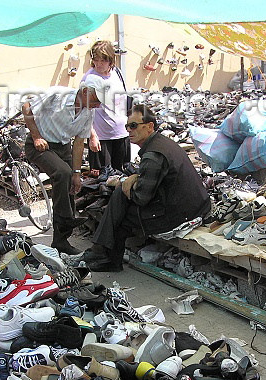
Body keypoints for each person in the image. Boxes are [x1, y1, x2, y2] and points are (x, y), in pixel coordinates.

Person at [83, 104, 211, 272]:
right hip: (194, 206)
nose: (129, 130)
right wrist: (134, 177)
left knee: (120, 213)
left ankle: (105, 255)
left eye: (134, 126)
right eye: (127, 126)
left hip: (180, 215)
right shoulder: (160, 143)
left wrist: (125, 184)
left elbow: (141, 198)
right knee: (120, 199)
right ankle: (102, 252)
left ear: (149, 126)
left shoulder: (153, 155)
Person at [22, 75, 111, 254]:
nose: (98, 105)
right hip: (41, 145)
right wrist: (36, 136)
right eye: (96, 100)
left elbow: (78, 143)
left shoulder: (88, 112)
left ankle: (61, 241)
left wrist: (77, 173)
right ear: (85, 92)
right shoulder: (58, 95)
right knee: (62, 173)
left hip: (63, 147)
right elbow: (26, 108)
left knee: (70, 183)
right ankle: (67, 218)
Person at [81, 40, 130, 173]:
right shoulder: (89, 78)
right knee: (102, 179)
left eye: (102, 60)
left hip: (122, 133)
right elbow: (83, 110)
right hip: (101, 137)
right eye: (96, 60)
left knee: (122, 175)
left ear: (110, 60)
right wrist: (92, 136)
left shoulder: (117, 73)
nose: (98, 64)